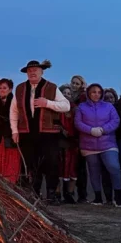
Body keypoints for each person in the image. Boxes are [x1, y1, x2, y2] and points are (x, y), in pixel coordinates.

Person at [9, 59, 71, 203]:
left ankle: (51, 194)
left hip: (48, 133)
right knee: (30, 163)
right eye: (30, 70)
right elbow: (14, 111)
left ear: (41, 71)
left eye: (35, 70)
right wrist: (14, 131)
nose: (32, 72)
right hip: (27, 133)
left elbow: (66, 106)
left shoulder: (51, 87)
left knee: (51, 163)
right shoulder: (19, 89)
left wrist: (47, 103)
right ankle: (32, 193)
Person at [75, 83, 121, 206]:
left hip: (108, 143)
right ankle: (98, 197)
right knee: (94, 171)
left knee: (113, 167)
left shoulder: (108, 107)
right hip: (88, 145)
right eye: (93, 92)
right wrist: (90, 130)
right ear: (88, 93)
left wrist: (103, 129)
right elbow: (78, 123)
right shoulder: (82, 107)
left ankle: (118, 194)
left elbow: (115, 121)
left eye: (98, 92)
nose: (96, 94)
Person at [59, 84, 81, 203]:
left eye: (69, 94)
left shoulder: (75, 109)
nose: (67, 95)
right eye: (64, 93)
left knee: (73, 168)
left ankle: (69, 194)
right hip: (61, 140)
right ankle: (58, 194)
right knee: (61, 167)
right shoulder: (56, 107)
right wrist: (62, 131)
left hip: (74, 141)